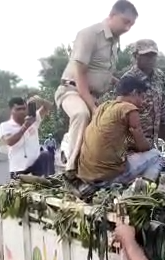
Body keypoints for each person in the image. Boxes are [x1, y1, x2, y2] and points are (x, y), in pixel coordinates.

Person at [55, 0, 138, 177]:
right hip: (72, 90)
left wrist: (123, 84)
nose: (128, 27)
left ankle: (97, 172)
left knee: (108, 123)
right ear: (112, 15)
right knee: (82, 114)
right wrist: (93, 107)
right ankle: (72, 170)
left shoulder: (114, 43)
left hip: (92, 95)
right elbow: (80, 74)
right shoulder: (89, 34)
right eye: (125, 21)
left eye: (131, 24)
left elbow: (103, 73)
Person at [77, 76, 162, 187]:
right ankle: (144, 190)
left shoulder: (103, 107)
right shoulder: (129, 109)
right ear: (134, 92)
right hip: (107, 178)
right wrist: (142, 142)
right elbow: (143, 147)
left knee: (126, 157)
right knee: (156, 155)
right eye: (142, 97)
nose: (142, 102)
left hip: (86, 176)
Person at [121, 39, 165, 157]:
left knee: (152, 172)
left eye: (153, 55)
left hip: (152, 143)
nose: (151, 59)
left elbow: (163, 107)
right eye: (146, 55)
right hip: (130, 145)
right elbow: (118, 113)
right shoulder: (128, 79)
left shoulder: (160, 77)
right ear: (136, 56)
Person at [0, 97, 52, 178]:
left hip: (36, 167)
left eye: (24, 108)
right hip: (18, 169)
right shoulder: (5, 126)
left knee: (46, 155)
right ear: (11, 110)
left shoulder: (34, 119)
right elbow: (9, 142)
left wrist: (40, 100)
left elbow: (49, 106)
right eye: (18, 109)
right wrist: (25, 126)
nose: (22, 112)